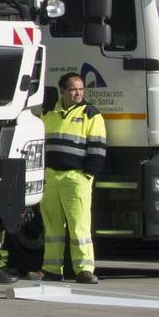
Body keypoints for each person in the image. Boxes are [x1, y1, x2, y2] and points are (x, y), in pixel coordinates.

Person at [38, 71, 107, 283]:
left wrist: (87, 174)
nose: (78, 93)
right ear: (63, 91)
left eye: (80, 89)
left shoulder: (91, 114)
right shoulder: (49, 113)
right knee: (52, 227)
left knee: (79, 225)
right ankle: (51, 269)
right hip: (51, 177)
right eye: (73, 89)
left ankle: (84, 270)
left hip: (75, 177)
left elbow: (97, 147)